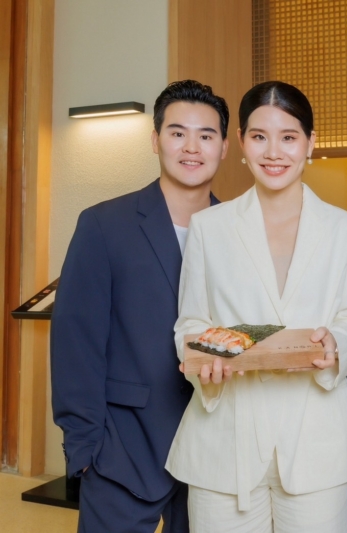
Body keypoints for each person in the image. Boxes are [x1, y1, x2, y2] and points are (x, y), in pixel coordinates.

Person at [165, 81, 347, 533]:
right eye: (260, 136)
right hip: (224, 439)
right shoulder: (209, 228)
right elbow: (192, 322)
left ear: (310, 143)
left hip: (318, 440)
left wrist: (337, 344)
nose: (274, 152)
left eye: (289, 137)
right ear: (241, 142)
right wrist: (203, 360)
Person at [51, 80, 230, 532]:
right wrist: (84, 449)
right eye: (177, 133)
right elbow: (76, 346)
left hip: (213, 452)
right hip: (122, 452)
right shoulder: (103, 225)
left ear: (225, 147)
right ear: (155, 140)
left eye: (206, 135)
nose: (192, 147)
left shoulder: (239, 232)